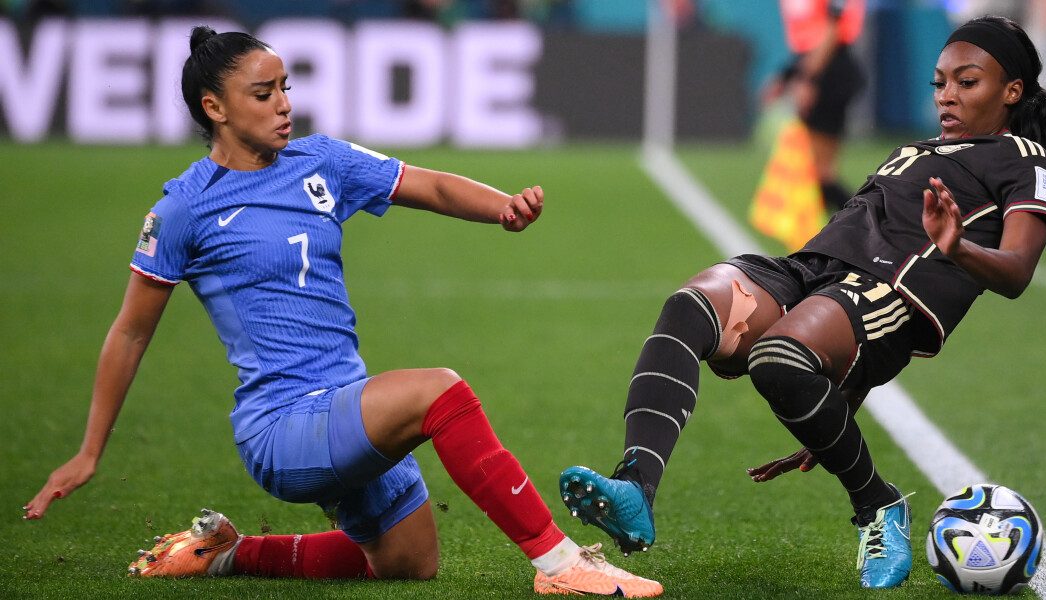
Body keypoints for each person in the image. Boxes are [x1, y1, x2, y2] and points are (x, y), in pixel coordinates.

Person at [22, 26, 662, 598]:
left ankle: (224, 555)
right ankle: (561, 566)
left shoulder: (319, 159)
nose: (284, 104)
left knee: (410, 565)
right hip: (282, 426)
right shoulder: (184, 209)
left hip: (346, 406)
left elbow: (429, 183)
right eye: (263, 93)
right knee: (442, 394)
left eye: (285, 87)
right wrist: (88, 451)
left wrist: (502, 208)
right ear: (214, 108)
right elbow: (131, 332)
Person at [559, 15, 1046, 590]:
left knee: (778, 358)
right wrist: (829, 408)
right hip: (809, 272)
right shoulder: (913, 151)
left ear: (1012, 91)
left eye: (968, 82)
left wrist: (958, 245)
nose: (947, 95)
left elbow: (1017, 270)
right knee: (690, 306)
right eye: (940, 82)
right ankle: (636, 486)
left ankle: (877, 503)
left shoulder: (1025, 161)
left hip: (889, 294)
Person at [764, 0, 867, 212]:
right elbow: (809, 39)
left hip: (831, 75)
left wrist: (808, 80)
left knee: (818, 171)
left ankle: (864, 221)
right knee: (815, 172)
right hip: (820, 68)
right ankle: (847, 227)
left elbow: (831, 32)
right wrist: (788, 75)